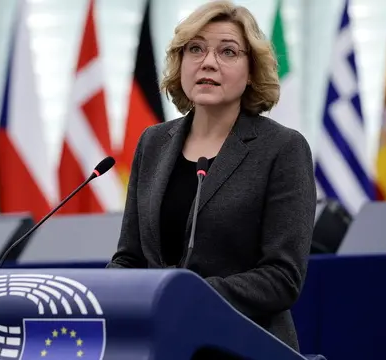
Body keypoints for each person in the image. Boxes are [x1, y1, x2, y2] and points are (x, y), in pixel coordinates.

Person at [106, 0, 316, 353]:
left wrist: (186, 297)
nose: (208, 62)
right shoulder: (154, 142)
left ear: (251, 71)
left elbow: (283, 278)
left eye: (228, 52)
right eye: (196, 49)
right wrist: (107, 293)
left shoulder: (282, 148)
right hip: (159, 344)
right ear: (180, 62)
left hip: (243, 344)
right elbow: (130, 256)